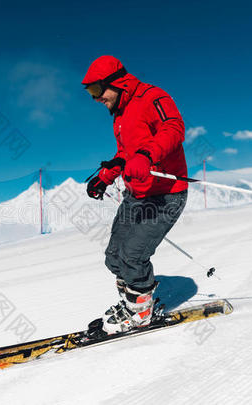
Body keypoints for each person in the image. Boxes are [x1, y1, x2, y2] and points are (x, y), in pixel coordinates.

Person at [83, 55, 189, 334]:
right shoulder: (119, 115)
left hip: (165, 194)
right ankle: (130, 303)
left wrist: (147, 155)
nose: (95, 99)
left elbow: (174, 128)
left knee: (133, 255)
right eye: (90, 93)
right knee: (114, 256)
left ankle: (141, 313)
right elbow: (124, 156)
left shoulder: (153, 97)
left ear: (116, 82)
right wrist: (104, 178)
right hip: (137, 194)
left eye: (96, 90)